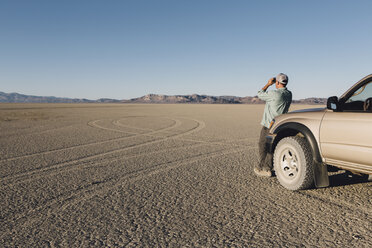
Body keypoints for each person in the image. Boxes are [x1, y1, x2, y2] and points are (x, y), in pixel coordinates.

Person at [255, 73, 292, 177]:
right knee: (273, 146)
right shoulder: (289, 94)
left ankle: (265, 169)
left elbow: (259, 93)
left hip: (269, 126)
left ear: (278, 82)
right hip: (280, 125)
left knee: (264, 146)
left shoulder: (274, 94)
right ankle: (271, 166)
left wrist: (268, 84)